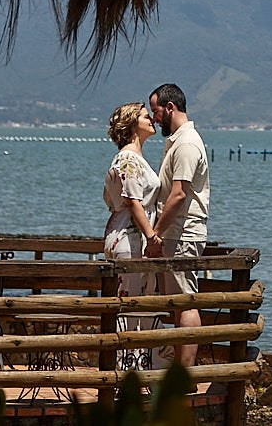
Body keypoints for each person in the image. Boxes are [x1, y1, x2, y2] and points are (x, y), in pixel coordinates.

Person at [145, 83, 210, 368]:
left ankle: (184, 374)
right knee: (178, 301)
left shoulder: (185, 144)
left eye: (156, 111)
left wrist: (155, 233)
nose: (154, 118)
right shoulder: (179, 142)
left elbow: (179, 194)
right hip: (177, 233)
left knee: (185, 301)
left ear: (170, 107)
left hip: (182, 234)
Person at [102, 101, 161, 373]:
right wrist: (152, 237)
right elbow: (134, 201)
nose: (152, 120)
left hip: (123, 233)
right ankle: (126, 371)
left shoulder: (129, 159)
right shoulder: (129, 159)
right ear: (132, 124)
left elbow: (111, 199)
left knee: (131, 303)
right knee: (129, 304)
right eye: (146, 116)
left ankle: (133, 369)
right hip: (130, 239)